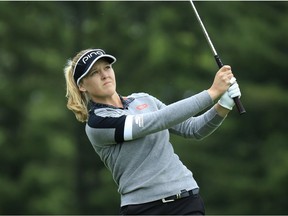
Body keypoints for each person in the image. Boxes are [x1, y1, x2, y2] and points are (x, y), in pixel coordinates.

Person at [64, 48, 241, 215]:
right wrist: (213, 92)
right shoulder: (98, 123)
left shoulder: (144, 99)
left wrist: (224, 104)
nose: (104, 75)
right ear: (82, 86)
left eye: (107, 67)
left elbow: (193, 129)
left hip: (186, 201)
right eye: (95, 72)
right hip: (143, 209)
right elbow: (157, 121)